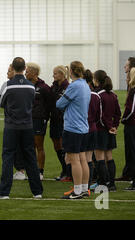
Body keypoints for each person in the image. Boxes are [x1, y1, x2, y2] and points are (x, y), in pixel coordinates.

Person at [0, 57, 43, 199]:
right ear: (25, 68)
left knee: (8, 157)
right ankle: (37, 192)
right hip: (27, 126)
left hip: (11, 126)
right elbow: (31, 102)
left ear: (13, 68)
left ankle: (4, 193)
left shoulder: (7, 85)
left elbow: (1, 103)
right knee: (30, 157)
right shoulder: (31, 86)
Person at [56, 61, 91, 199]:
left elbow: (60, 104)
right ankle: (84, 188)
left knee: (74, 159)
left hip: (73, 127)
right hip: (83, 127)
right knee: (82, 159)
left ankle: (77, 191)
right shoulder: (85, 85)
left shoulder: (74, 85)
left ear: (71, 71)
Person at [14, 62, 50, 181]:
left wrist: (45, 117)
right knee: (29, 146)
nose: (25, 73)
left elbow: (51, 104)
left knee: (39, 146)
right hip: (26, 119)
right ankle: (32, 170)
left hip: (39, 120)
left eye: (28, 71)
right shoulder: (25, 85)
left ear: (34, 73)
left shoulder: (44, 87)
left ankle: (40, 172)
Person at [91, 70, 121, 192]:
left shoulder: (98, 95)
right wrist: (114, 126)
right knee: (109, 156)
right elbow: (118, 113)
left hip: (101, 130)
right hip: (109, 130)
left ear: (96, 80)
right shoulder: (113, 95)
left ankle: (103, 184)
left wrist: (109, 127)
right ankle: (111, 184)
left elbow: (100, 116)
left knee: (100, 157)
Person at [117, 57, 135, 181]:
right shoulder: (130, 82)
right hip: (134, 121)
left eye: (126, 66)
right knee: (130, 149)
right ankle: (129, 172)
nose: (124, 68)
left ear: (131, 67)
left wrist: (124, 118)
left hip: (134, 122)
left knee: (134, 150)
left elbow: (132, 106)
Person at [49, 65, 70, 181]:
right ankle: (64, 169)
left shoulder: (67, 87)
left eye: (55, 73)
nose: (53, 75)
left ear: (62, 74)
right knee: (56, 145)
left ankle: (68, 171)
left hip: (63, 120)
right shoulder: (53, 86)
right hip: (54, 119)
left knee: (63, 146)